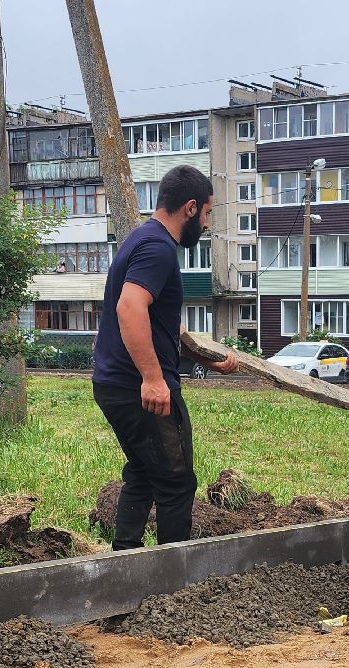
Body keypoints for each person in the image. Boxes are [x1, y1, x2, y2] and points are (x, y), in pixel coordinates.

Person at [91, 165, 240, 550]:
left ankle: (125, 561)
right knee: (176, 483)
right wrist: (153, 379)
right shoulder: (158, 249)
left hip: (113, 384)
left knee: (142, 472)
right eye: (207, 213)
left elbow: (163, 324)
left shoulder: (142, 238)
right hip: (137, 388)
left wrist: (204, 358)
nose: (207, 224)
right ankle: (173, 584)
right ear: (190, 208)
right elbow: (130, 308)